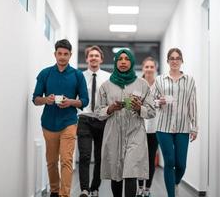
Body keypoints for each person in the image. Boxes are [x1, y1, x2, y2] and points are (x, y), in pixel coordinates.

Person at [95, 49, 156, 197]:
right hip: (113, 133)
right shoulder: (106, 86)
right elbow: (98, 112)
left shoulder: (142, 85)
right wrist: (110, 108)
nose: (123, 61)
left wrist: (138, 107)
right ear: (116, 62)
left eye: (126, 59)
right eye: (120, 59)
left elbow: (152, 111)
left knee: (131, 172)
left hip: (135, 133)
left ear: (131, 62)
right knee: (116, 174)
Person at [32, 39, 89, 197]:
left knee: (66, 160)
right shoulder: (45, 73)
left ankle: (65, 194)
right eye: (60, 53)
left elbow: (85, 100)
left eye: (66, 54)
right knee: (51, 162)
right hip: (48, 124)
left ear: (70, 55)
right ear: (55, 54)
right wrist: (46, 100)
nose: (62, 57)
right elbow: (36, 98)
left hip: (69, 123)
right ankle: (54, 191)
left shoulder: (77, 75)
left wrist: (70, 102)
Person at [154, 48, 198, 197]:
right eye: (171, 58)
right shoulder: (160, 79)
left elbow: (192, 104)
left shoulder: (189, 80)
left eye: (177, 58)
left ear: (181, 61)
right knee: (170, 161)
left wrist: (195, 126)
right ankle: (171, 195)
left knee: (181, 164)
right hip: (163, 127)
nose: (174, 61)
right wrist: (158, 102)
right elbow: (152, 101)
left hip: (183, 127)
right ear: (167, 61)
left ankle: (175, 182)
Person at [77, 46, 111, 197]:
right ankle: (84, 189)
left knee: (99, 157)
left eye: (96, 56)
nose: (94, 58)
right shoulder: (79, 76)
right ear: (86, 59)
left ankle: (95, 187)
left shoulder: (109, 77)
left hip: (102, 120)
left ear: (101, 59)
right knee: (84, 156)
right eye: (91, 55)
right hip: (84, 118)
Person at [136, 57, 159, 197]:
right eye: (147, 67)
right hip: (139, 126)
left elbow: (163, 101)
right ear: (143, 68)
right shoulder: (138, 84)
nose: (149, 69)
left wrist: (155, 102)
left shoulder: (160, 85)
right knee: (139, 158)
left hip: (155, 128)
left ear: (155, 69)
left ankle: (147, 188)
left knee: (151, 159)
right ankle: (139, 187)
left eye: (152, 67)